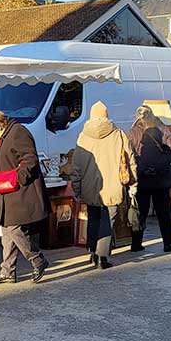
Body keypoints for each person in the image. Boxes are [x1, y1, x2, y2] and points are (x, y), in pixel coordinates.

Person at [0, 110, 49, 284]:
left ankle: (37, 259)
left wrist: (17, 179)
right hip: (8, 192)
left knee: (14, 229)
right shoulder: (6, 136)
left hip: (19, 191)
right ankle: (7, 271)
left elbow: (30, 159)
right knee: (7, 231)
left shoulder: (18, 132)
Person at [70, 102, 135, 270]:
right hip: (113, 185)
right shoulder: (119, 135)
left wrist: (76, 189)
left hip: (90, 186)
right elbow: (130, 161)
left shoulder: (83, 137)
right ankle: (102, 256)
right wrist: (133, 182)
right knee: (108, 220)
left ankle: (93, 251)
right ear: (107, 115)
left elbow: (76, 167)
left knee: (93, 218)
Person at [129, 107, 171, 253]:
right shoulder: (162, 128)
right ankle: (168, 243)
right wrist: (160, 165)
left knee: (140, 212)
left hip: (142, 177)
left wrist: (140, 167)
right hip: (160, 178)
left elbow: (129, 152)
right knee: (163, 213)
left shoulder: (133, 131)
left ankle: (136, 243)